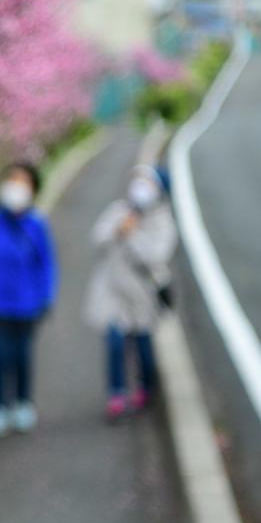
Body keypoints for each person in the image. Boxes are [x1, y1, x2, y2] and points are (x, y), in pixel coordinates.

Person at [0, 163, 57, 439]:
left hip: (27, 305)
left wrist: (46, 295)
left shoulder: (36, 225)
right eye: (12, 180)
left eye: (24, 182)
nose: (16, 187)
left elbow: (47, 264)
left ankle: (22, 403)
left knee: (22, 356)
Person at [84, 165, 177, 420]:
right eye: (138, 181)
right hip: (112, 291)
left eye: (147, 183)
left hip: (142, 296)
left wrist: (132, 234)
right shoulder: (119, 210)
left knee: (143, 346)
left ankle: (146, 387)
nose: (140, 187)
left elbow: (154, 257)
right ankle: (117, 393)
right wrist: (118, 229)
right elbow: (97, 238)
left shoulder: (163, 222)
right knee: (114, 342)